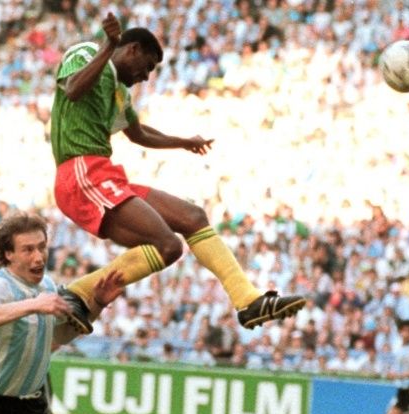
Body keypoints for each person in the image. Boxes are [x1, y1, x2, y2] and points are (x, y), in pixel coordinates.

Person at [49, 12, 303, 333]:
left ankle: (247, 300)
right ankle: (78, 295)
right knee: (168, 246)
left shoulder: (120, 93)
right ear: (132, 50)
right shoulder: (86, 53)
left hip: (104, 174)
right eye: (148, 66)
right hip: (80, 173)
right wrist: (107, 46)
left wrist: (183, 142)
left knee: (192, 217)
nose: (146, 76)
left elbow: (139, 134)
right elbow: (72, 89)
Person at [0, 212, 123, 414]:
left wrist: (97, 304)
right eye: (28, 250)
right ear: (8, 254)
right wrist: (33, 305)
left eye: (42, 247)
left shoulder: (47, 286)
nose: (39, 257)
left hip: (30, 402)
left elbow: (58, 337)